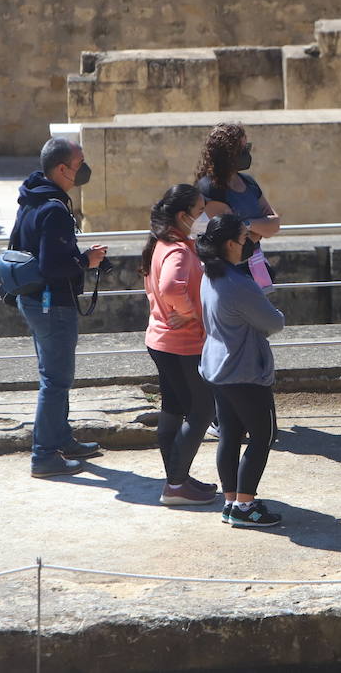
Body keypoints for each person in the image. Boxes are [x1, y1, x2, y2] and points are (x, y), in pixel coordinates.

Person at [11, 137, 108, 478]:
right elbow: (54, 266)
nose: (84, 169)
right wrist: (87, 260)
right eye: (79, 163)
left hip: (34, 300)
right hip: (53, 304)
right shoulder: (54, 209)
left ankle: (61, 438)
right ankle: (44, 455)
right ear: (63, 169)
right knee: (56, 380)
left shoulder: (32, 199)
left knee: (52, 376)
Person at [197, 213, 287, 527]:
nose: (248, 243)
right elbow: (274, 322)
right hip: (245, 369)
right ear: (229, 244)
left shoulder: (210, 274)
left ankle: (232, 501)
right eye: (243, 238)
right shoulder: (238, 283)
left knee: (230, 434)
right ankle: (246, 506)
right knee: (263, 434)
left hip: (218, 366)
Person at [142, 184, 218, 507]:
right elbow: (172, 287)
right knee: (202, 411)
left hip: (161, 341)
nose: (204, 216)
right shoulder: (177, 249)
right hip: (182, 344)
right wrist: (190, 313)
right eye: (199, 211)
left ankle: (177, 479)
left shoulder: (162, 243)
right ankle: (175, 483)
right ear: (182, 216)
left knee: (172, 407)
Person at [196, 123, 280, 287]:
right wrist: (258, 227)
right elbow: (231, 238)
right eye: (241, 149)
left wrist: (247, 224)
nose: (246, 153)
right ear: (227, 153)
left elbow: (274, 224)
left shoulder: (249, 183)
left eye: (246, 147)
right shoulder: (210, 188)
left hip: (255, 268)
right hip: (226, 274)